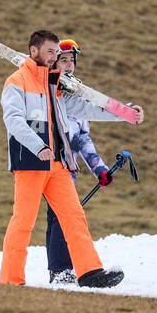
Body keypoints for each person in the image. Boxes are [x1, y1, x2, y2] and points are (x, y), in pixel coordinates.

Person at [0, 30, 142, 288]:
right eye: (50, 52)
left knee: (74, 217)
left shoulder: (55, 86)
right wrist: (37, 145)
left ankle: (89, 272)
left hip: (59, 162)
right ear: (34, 51)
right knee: (23, 221)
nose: (55, 57)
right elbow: (13, 120)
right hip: (31, 161)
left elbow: (86, 109)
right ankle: (11, 280)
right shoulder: (16, 81)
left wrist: (124, 112)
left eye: (57, 53)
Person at [44, 38, 114, 284]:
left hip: (68, 169)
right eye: (64, 60)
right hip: (48, 165)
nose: (70, 65)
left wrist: (99, 168)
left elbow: (82, 138)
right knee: (62, 217)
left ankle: (60, 270)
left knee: (59, 218)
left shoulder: (75, 93)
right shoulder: (49, 92)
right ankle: (61, 270)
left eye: (72, 60)